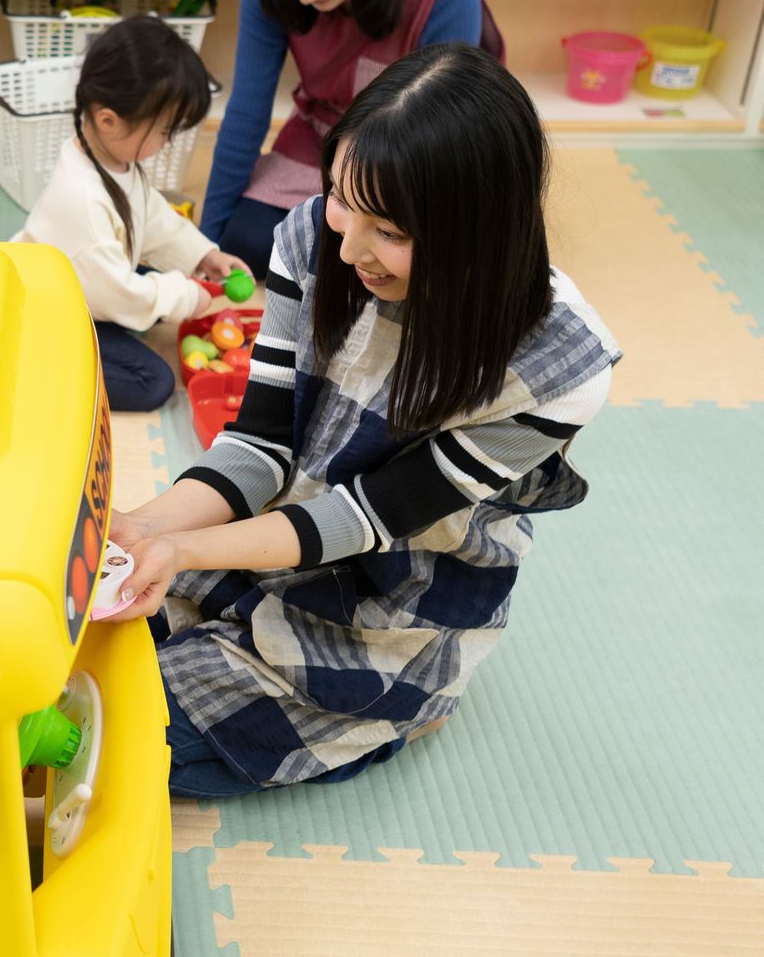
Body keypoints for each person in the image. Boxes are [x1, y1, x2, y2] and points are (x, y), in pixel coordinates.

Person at [109, 44, 619, 798]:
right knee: (86, 649)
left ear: (477, 232)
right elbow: (259, 445)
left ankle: (409, 707)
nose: (348, 248)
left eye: (392, 232)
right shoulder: (313, 237)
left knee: (119, 739)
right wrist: (143, 529)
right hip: (276, 535)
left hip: (393, 601)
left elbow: (370, 517)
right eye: (341, 198)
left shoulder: (557, 367)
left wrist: (182, 549)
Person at [199, 0, 503, 268]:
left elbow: (442, 137)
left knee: (388, 250)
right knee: (248, 238)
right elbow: (247, 111)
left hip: (405, 153)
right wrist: (206, 245)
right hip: (323, 137)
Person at [13, 14, 251, 412]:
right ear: (108, 120)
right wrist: (183, 296)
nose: (167, 142)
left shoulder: (112, 158)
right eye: (164, 131)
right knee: (152, 383)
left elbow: (151, 217)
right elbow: (116, 293)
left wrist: (204, 256)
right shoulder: (81, 200)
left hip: (90, 280)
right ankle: (29, 367)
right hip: (47, 312)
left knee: (160, 290)